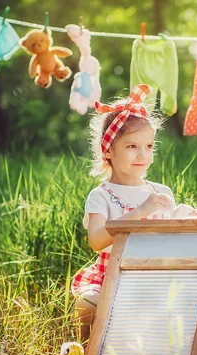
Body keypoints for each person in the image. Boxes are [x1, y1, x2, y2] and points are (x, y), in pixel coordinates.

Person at [72, 84, 175, 341]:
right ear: (108, 150)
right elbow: (96, 241)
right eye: (132, 146)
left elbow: (175, 237)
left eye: (149, 146)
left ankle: (157, 352)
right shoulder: (102, 196)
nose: (143, 154)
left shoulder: (160, 192)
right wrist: (141, 211)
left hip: (153, 275)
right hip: (111, 275)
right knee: (88, 303)